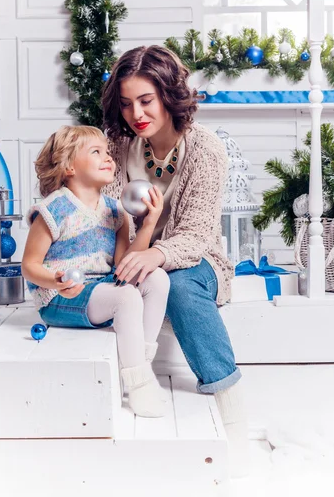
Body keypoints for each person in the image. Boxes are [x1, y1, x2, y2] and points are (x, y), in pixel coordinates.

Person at [102, 45, 249, 476]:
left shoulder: (204, 148)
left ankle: (232, 414)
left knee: (182, 284)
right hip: (126, 258)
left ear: (168, 94)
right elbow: (108, 218)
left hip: (196, 261)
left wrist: (156, 252)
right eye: (127, 103)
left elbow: (197, 234)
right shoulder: (116, 145)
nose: (136, 113)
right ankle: (136, 387)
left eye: (146, 100)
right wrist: (132, 253)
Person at [21, 125, 170, 418]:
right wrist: (57, 281)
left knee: (157, 277)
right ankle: (139, 384)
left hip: (100, 287)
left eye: (108, 152)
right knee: (126, 298)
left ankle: (140, 363)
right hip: (60, 297)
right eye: (96, 152)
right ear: (69, 166)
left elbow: (124, 264)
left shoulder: (116, 210)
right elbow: (28, 266)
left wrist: (149, 224)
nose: (109, 158)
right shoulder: (55, 209)